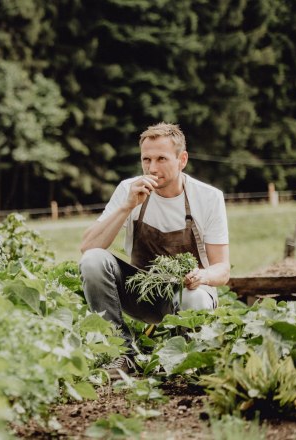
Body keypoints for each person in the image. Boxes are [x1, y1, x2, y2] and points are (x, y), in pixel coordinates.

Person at [78, 122, 230, 377]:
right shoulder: (129, 190)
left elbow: (222, 269)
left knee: (193, 298)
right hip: (141, 293)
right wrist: (127, 206)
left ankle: (188, 359)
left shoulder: (208, 197)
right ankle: (121, 356)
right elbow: (87, 247)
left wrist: (202, 276)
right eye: (146, 159)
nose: (152, 168)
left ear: (182, 159)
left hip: (188, 292)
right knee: (93, 261)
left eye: (161, 158)